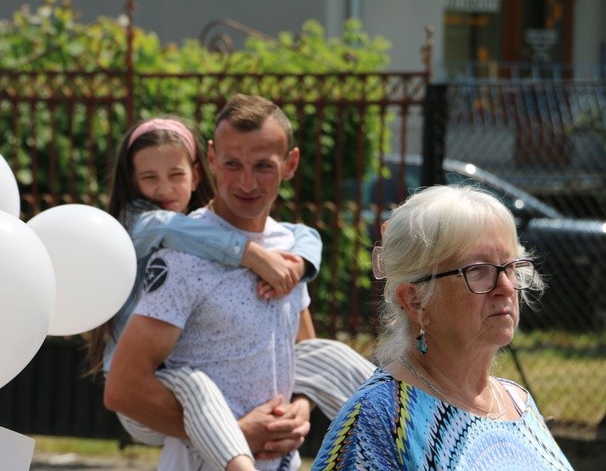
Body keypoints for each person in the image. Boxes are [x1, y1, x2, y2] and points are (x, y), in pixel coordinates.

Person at [90, 115, 374, 470]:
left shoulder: (281, 244)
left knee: (330, 355)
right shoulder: (155, 228)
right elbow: (125, 388)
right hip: (162, 393)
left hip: (270, 450)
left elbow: (301, 352)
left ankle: (416, 445)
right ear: (211, 162)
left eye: (175, 175)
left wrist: (297, 411)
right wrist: (252, 255)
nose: (164, 189)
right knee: (194, 385)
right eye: (149, 178)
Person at [311, 185, 573, 470]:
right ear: (415, 300)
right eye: (477, 270)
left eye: (509, 267)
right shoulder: (379, 418)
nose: (506, 287)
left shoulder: (517, 402)